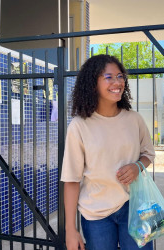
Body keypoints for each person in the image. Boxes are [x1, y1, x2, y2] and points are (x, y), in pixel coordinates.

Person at [61, 54, 155, 250]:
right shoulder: (79, 126)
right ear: (92, 83)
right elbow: (71, 179)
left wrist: (138, 166)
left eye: (120, 76)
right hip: (96, 215)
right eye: (109, 77)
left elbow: (148, 153)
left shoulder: (134, 119)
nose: (118, 82)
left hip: (134, 207)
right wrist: (71, 230)